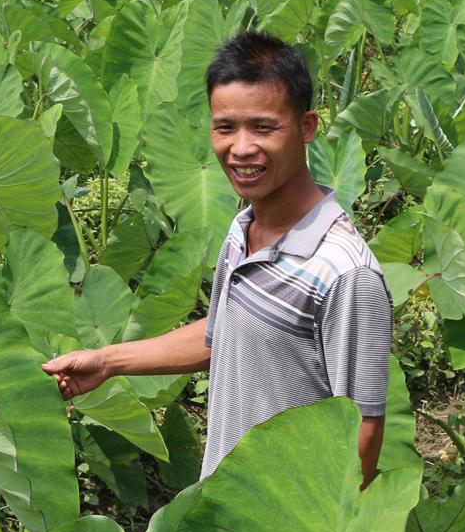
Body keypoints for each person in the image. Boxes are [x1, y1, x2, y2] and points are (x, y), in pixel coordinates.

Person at [42, 30, 394, 485]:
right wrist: (107, 362)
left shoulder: (345, 273)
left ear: (307, 127)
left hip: (292, 530)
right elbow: (222, 337)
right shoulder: (243, 226)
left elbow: (364, 428)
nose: (241, 148)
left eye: (264, 127)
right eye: (225, 127)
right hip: (226, 510)